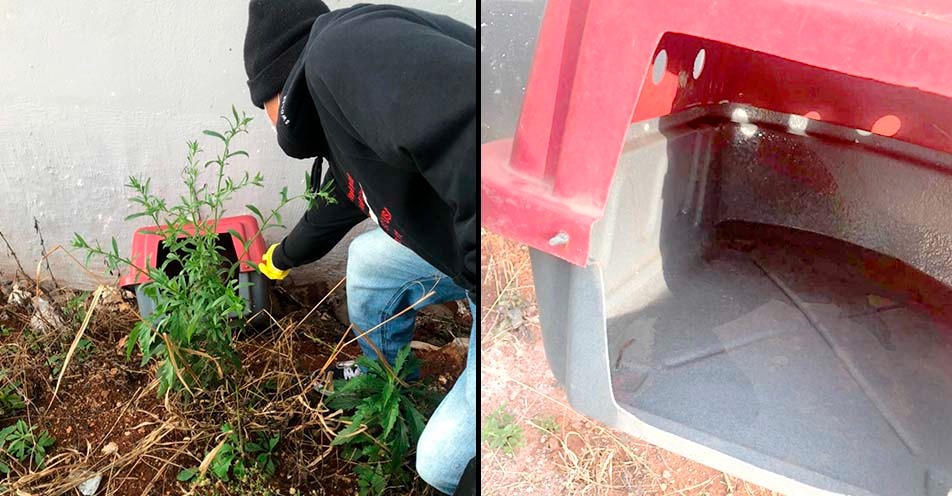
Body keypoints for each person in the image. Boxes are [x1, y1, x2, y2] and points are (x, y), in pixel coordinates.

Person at [242, 1, 476, 493]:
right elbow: (343, 197)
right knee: (368, 261)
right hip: (464, 253)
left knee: (442, 463)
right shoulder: (338, 111)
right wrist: (277, 261)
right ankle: (386, 383)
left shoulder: (339, 52)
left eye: (260, 106)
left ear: (274, 86)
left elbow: (475, 135)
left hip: (514, 278)